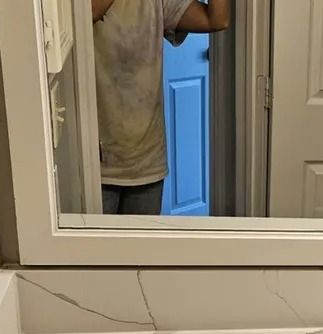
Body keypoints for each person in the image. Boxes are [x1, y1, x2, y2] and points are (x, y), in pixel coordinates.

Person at [91, 0, 229, 214]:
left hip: (147, 162)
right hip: (93, 166)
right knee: (94, 248)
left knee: (143, 248)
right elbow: (89, 11)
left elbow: (217, 19)